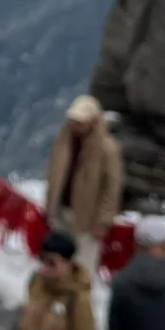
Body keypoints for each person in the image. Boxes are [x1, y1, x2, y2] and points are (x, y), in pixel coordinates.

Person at [46, 95, 123, 275]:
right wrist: (50, 204)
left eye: (81, 122)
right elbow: (54, 171)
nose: (76, 125)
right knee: (56, 262)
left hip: (88, 219)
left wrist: (103, 221)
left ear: (93, 121)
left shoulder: (107, 148)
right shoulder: (64, 140)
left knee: (82, 268)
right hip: (62, 211)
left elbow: (112, 187)